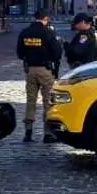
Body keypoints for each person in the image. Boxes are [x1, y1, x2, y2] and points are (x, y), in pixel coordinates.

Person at [15, 9, 63, 143]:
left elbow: (19, 53)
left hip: (30, 70)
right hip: (45, 70)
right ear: (46, 18)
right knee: (48, 102)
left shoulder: (25, 32)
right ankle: (48, 134)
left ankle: (28, 132)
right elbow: (57, 53)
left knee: (30, 101)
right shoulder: (48, 32)